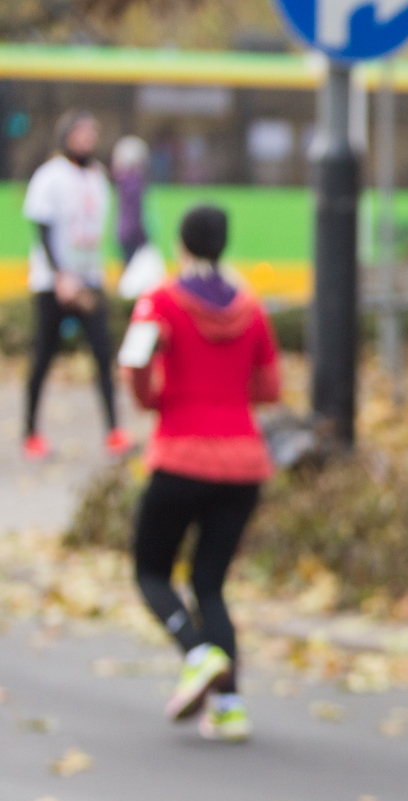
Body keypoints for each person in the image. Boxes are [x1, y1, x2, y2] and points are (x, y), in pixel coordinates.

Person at [121, 205, 280, 743]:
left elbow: (135, 367)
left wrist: (156, 398)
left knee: (150, 573)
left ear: (182, 245)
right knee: (209, 584)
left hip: (180, 456)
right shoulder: (252, 306)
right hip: (243, 464)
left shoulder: (159, 300)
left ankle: (196, 653)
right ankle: (230, 708)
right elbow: (270, 387)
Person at [23, 110, 127, 459]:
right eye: (79, 133)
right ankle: (30, 432)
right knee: (43, 356)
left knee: (102, 352)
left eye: (90, 134)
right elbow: (43, 228)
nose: (86, 140)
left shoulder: (98, 177)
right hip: (53, 282)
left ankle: (114, 430)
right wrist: (60, 275)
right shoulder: (50, 176)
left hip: (89, 279)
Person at [111, 135, 150, 264]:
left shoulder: (124, 180)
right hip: (131, 233)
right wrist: (142, 236)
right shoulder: (133, 181)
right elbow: (134, 210)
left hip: (124, 231)